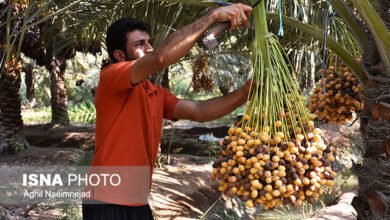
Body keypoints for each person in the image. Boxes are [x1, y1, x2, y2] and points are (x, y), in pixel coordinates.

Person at [82, 3, 253, 220]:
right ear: (120, 55)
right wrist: (213, 16)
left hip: (137, 200)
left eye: (150, 42)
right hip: (105, 199)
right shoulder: (110, 78)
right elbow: (160, 58)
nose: (150, 48)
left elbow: (198, 111)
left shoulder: (155, 93)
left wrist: (245, 93)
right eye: (140, 44)